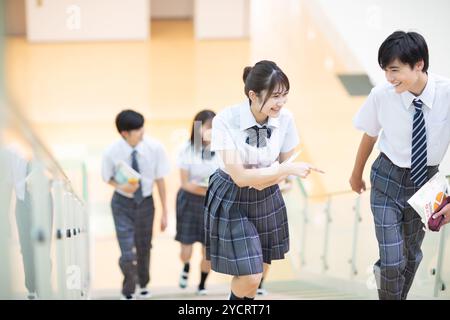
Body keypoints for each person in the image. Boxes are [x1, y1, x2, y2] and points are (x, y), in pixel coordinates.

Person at [205, 60, 323, 300]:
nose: (281, 102)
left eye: (285, 95)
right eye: (275, 96)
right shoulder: (225, 120)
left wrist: (279, 175)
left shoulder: (286, 119)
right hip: (231, 196)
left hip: (268, 196)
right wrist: (283, 171)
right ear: (252, 94)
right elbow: (240, 177)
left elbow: (283, 166)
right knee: (250, 275)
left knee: (259, 274)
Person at [350, 31, 450, 300]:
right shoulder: (382, 95)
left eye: (394, 70)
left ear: (419, 64)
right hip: (387, 180)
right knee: (392, 260)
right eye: (385, 70)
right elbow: (369, 135)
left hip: (426, 185)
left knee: (410, 256)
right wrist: (356, 174)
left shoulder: (447, 95)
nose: (389, 78)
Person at [101, 109, 170, 300]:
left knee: (144, 247)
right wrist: (122, 185)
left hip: (146, 203)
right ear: (125, 133)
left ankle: (144, 283)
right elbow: (107, 177)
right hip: (121, 204)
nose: (143, 132)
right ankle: (128, 288)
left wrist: (165, 212)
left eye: (142, 127)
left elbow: (160, 180)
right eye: (138, 129)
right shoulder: (111, 152)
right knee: (127, 252)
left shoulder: (155, 148)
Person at [175, 110, 219, 296]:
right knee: (186, 250)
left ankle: (202, 285)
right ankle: (185, 266)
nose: (211, 131)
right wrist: (206, 189)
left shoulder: (224, 149)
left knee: (208, 249)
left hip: (213, 204)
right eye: (208, 127)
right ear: (198, 128)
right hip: (189, 202)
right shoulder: (186, 149)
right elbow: (185, 183)